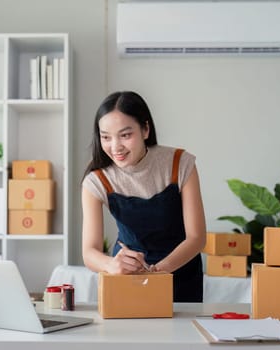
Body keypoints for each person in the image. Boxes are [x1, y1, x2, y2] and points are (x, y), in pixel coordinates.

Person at [81, 91, 207, 302]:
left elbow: (197, 238)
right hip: (127, 278)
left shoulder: (180, 163)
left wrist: (158, 272)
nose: (115, 147)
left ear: (145, 129)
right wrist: (111, 265)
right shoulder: (97, 181)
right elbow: (89, 252)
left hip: (182, 275)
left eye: (125, 135)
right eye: (106, 137)